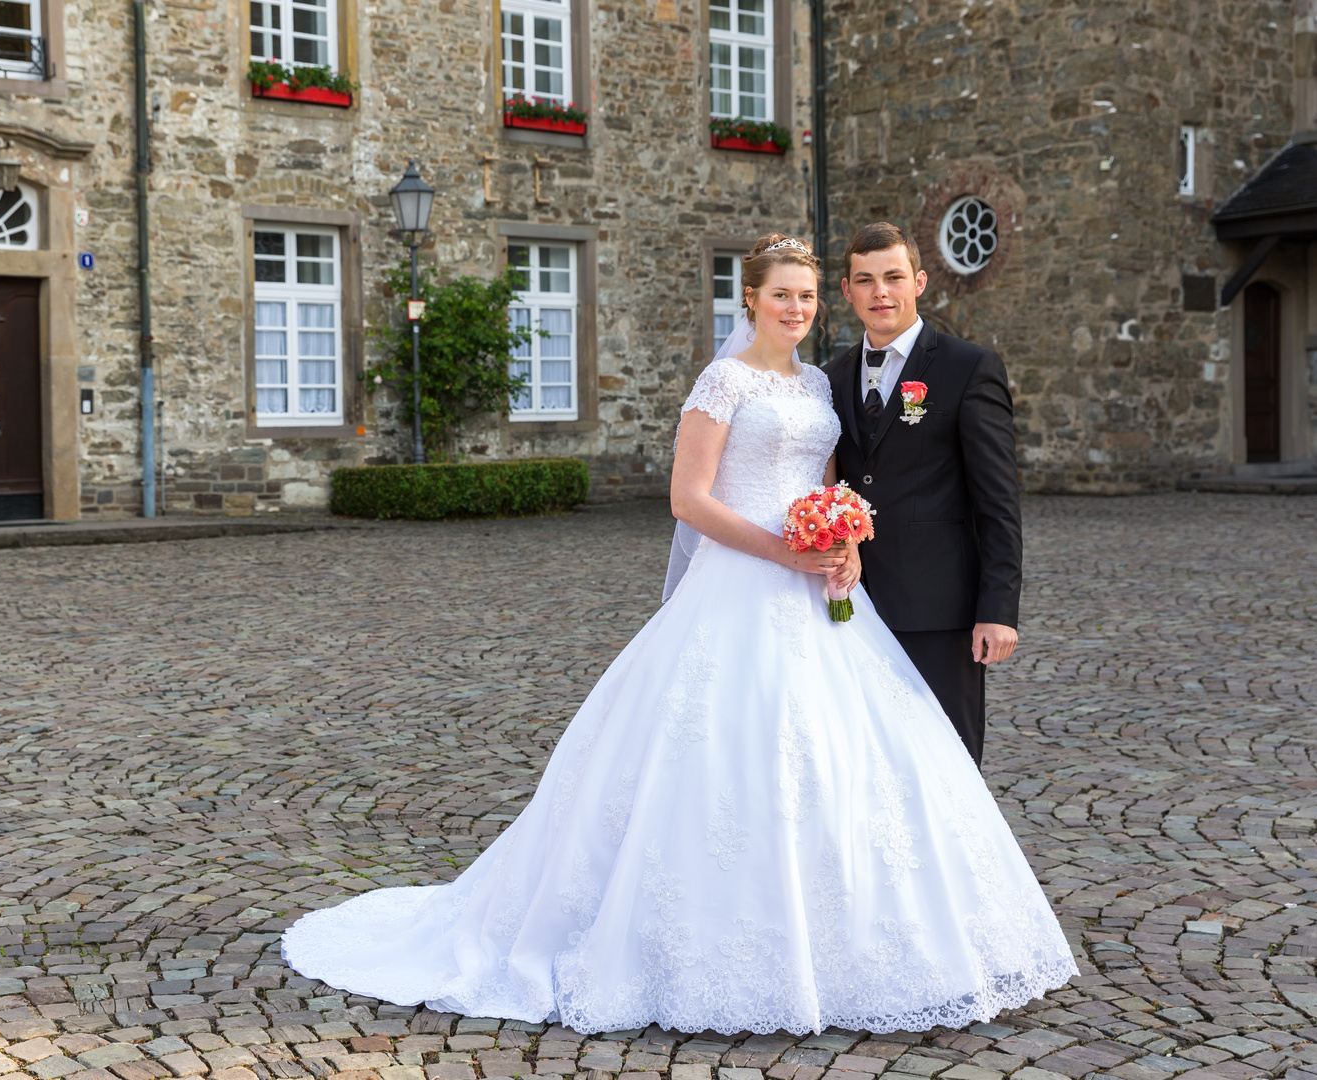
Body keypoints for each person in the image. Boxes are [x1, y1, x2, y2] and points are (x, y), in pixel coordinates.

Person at [280, 234, 1075, 1037]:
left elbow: (840, 485)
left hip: (830, 599)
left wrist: (847, 543)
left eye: (808, 297)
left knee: (864, 760)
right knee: (711, 754)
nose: (797, 308)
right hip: (739, 587)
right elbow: (688, 501)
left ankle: (888, 931)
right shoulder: (724, 380)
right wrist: (783, 550)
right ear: (752, 301)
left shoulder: (823, 383)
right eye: (783, 295)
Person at [823, 223, 1022, 766]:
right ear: (846, 291)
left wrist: (998, 610)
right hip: (852, 603)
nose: (880, 292)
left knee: (947, 761)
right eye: (865, 280)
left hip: (939, 609)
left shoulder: (968, 368)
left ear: (920, 281)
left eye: (893, 277)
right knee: (865, 757)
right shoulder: (831, 376)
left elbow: (998, 501)